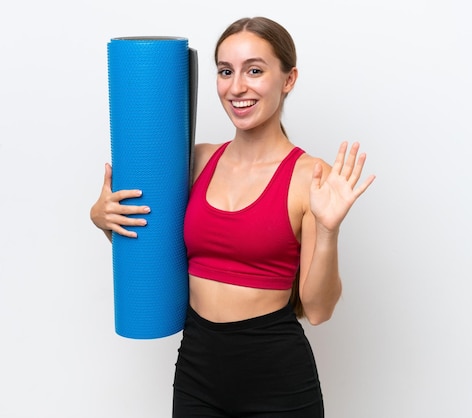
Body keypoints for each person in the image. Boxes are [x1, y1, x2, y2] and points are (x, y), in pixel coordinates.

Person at [90, 16, 375, 418]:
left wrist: (328, 230)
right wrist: (104, 218)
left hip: (278, 380)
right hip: (197, 372)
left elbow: (318, 309)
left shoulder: (310, 177)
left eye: (254, 70)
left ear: (288, 79)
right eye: (225, 71)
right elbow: (150, 247)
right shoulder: (196, 162)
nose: (236, 87)